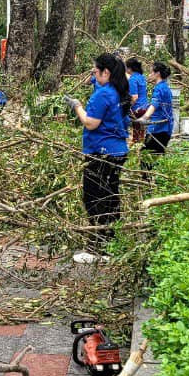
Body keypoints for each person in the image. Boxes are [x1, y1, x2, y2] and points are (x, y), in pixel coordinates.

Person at [65, 52, 130, 264]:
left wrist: (76, 106)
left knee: (94, 199)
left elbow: (91, 123)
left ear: (106, 72)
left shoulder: (103, 94)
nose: (93, 74)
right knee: (110, 197)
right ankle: (112, 244)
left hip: (101, 153)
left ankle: (97, 249)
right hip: (117, 151)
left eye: (95, 70)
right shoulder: (119, 91)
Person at [137, 62, 175, 159]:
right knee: (155, 159)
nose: (149, 75)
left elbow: (155, 104)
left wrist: (144, 117)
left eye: (151, 72)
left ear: (157, 74)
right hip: (164, 128)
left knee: (146, 159)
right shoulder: (165, 87)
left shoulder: (159, 88)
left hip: (158, 130)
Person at [126, 58, 148, 146]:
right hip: (144, 106)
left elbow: (134, 97)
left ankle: (136, 149)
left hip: (137, 108)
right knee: (140, 131)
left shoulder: (133, 79)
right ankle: (139, 147)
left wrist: (128, 106)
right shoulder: (141, 77)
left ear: (130, 68)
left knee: (136, 132)